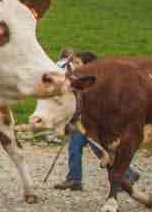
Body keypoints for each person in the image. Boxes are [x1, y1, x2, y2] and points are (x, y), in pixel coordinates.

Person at [54, 50, 138, 191]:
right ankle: (74, 178)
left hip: (94, 125)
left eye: (77, 62)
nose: (73, 65)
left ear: (87, 65)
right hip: (82, 123)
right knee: (74, 147)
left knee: (101, 151)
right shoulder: (76, 83)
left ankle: (128, 174)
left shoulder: (95, 84)